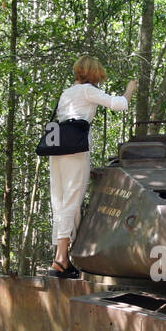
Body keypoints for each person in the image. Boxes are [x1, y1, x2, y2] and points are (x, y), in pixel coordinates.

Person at [47, 55, 136, 277]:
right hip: (75, 148)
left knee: (60, 199)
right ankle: (60, 259)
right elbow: (120, 105)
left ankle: (62, 258)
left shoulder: (67, 92)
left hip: (57, 148)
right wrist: (130, 88)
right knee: (72, 200)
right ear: (94, 74)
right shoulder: (86, 90)